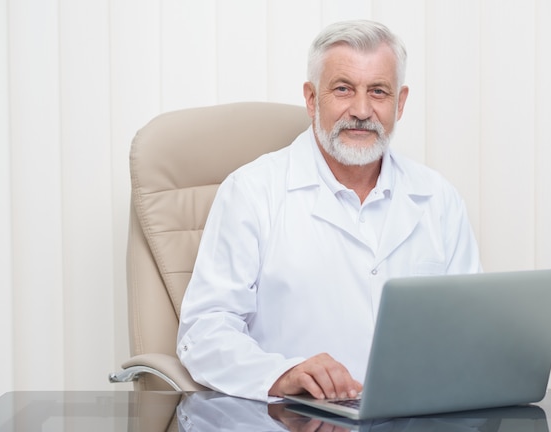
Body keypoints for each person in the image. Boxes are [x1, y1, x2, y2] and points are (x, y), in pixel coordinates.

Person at [177, 19, 482, 402]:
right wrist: (282, 373)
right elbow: (203, 333)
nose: (361, 109)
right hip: (294, 419)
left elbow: (470, 330)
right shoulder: (251, 192)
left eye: (378, 91)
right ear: (311, 99)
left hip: (412, 417)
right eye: (343, 89)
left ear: (400, 103)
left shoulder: (438, 199)